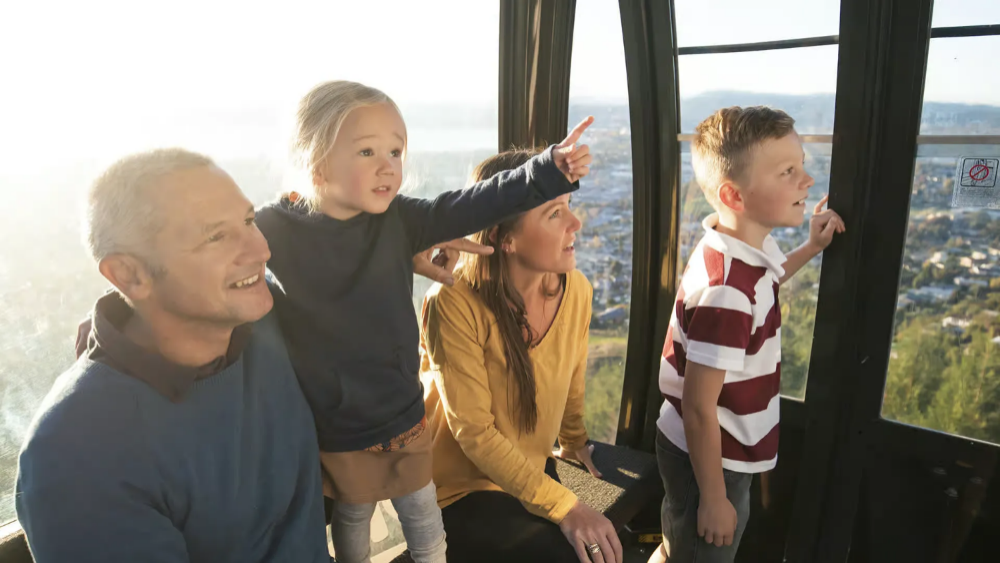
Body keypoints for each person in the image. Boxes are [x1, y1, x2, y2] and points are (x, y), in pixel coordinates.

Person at [254, 80, 594, 563]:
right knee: (354, 513)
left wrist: (548, 170)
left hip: (404, 414)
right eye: (367, 150)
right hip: (337, 422)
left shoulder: (399, 221)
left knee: (422, 519)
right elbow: (222, 248)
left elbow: (472, 204)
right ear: (316, 161)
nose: (388, 165)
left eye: (396, 150)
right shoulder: (277, 229)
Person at [15, 149, 330, 563]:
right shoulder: (76, 455)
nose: (259, 250)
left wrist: (407, 244)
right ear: (130, 275)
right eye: (216, 236)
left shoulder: (261, 318)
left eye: (249, 221)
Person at [649, 107, 845, 563]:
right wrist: (714, 500)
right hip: (710, 461)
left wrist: (810, 248)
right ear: (734, 196)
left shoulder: (735, 248)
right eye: (788, 171)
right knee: (700, 550)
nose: (807, 181)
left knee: (679, 542)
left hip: (707, 452)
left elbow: (767, 282)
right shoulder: (726, 293)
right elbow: (699, 408)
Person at [419, 149, 624, 563]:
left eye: (569, 206)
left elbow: (572, 374)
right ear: (502, 237)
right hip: (460, 489)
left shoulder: (576, 288)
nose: (576, 224)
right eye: (554, 214)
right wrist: (567, 506)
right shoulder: (452, 301)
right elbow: (474, 432)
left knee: (604, 543)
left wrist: (574, 441)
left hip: (528, 469)